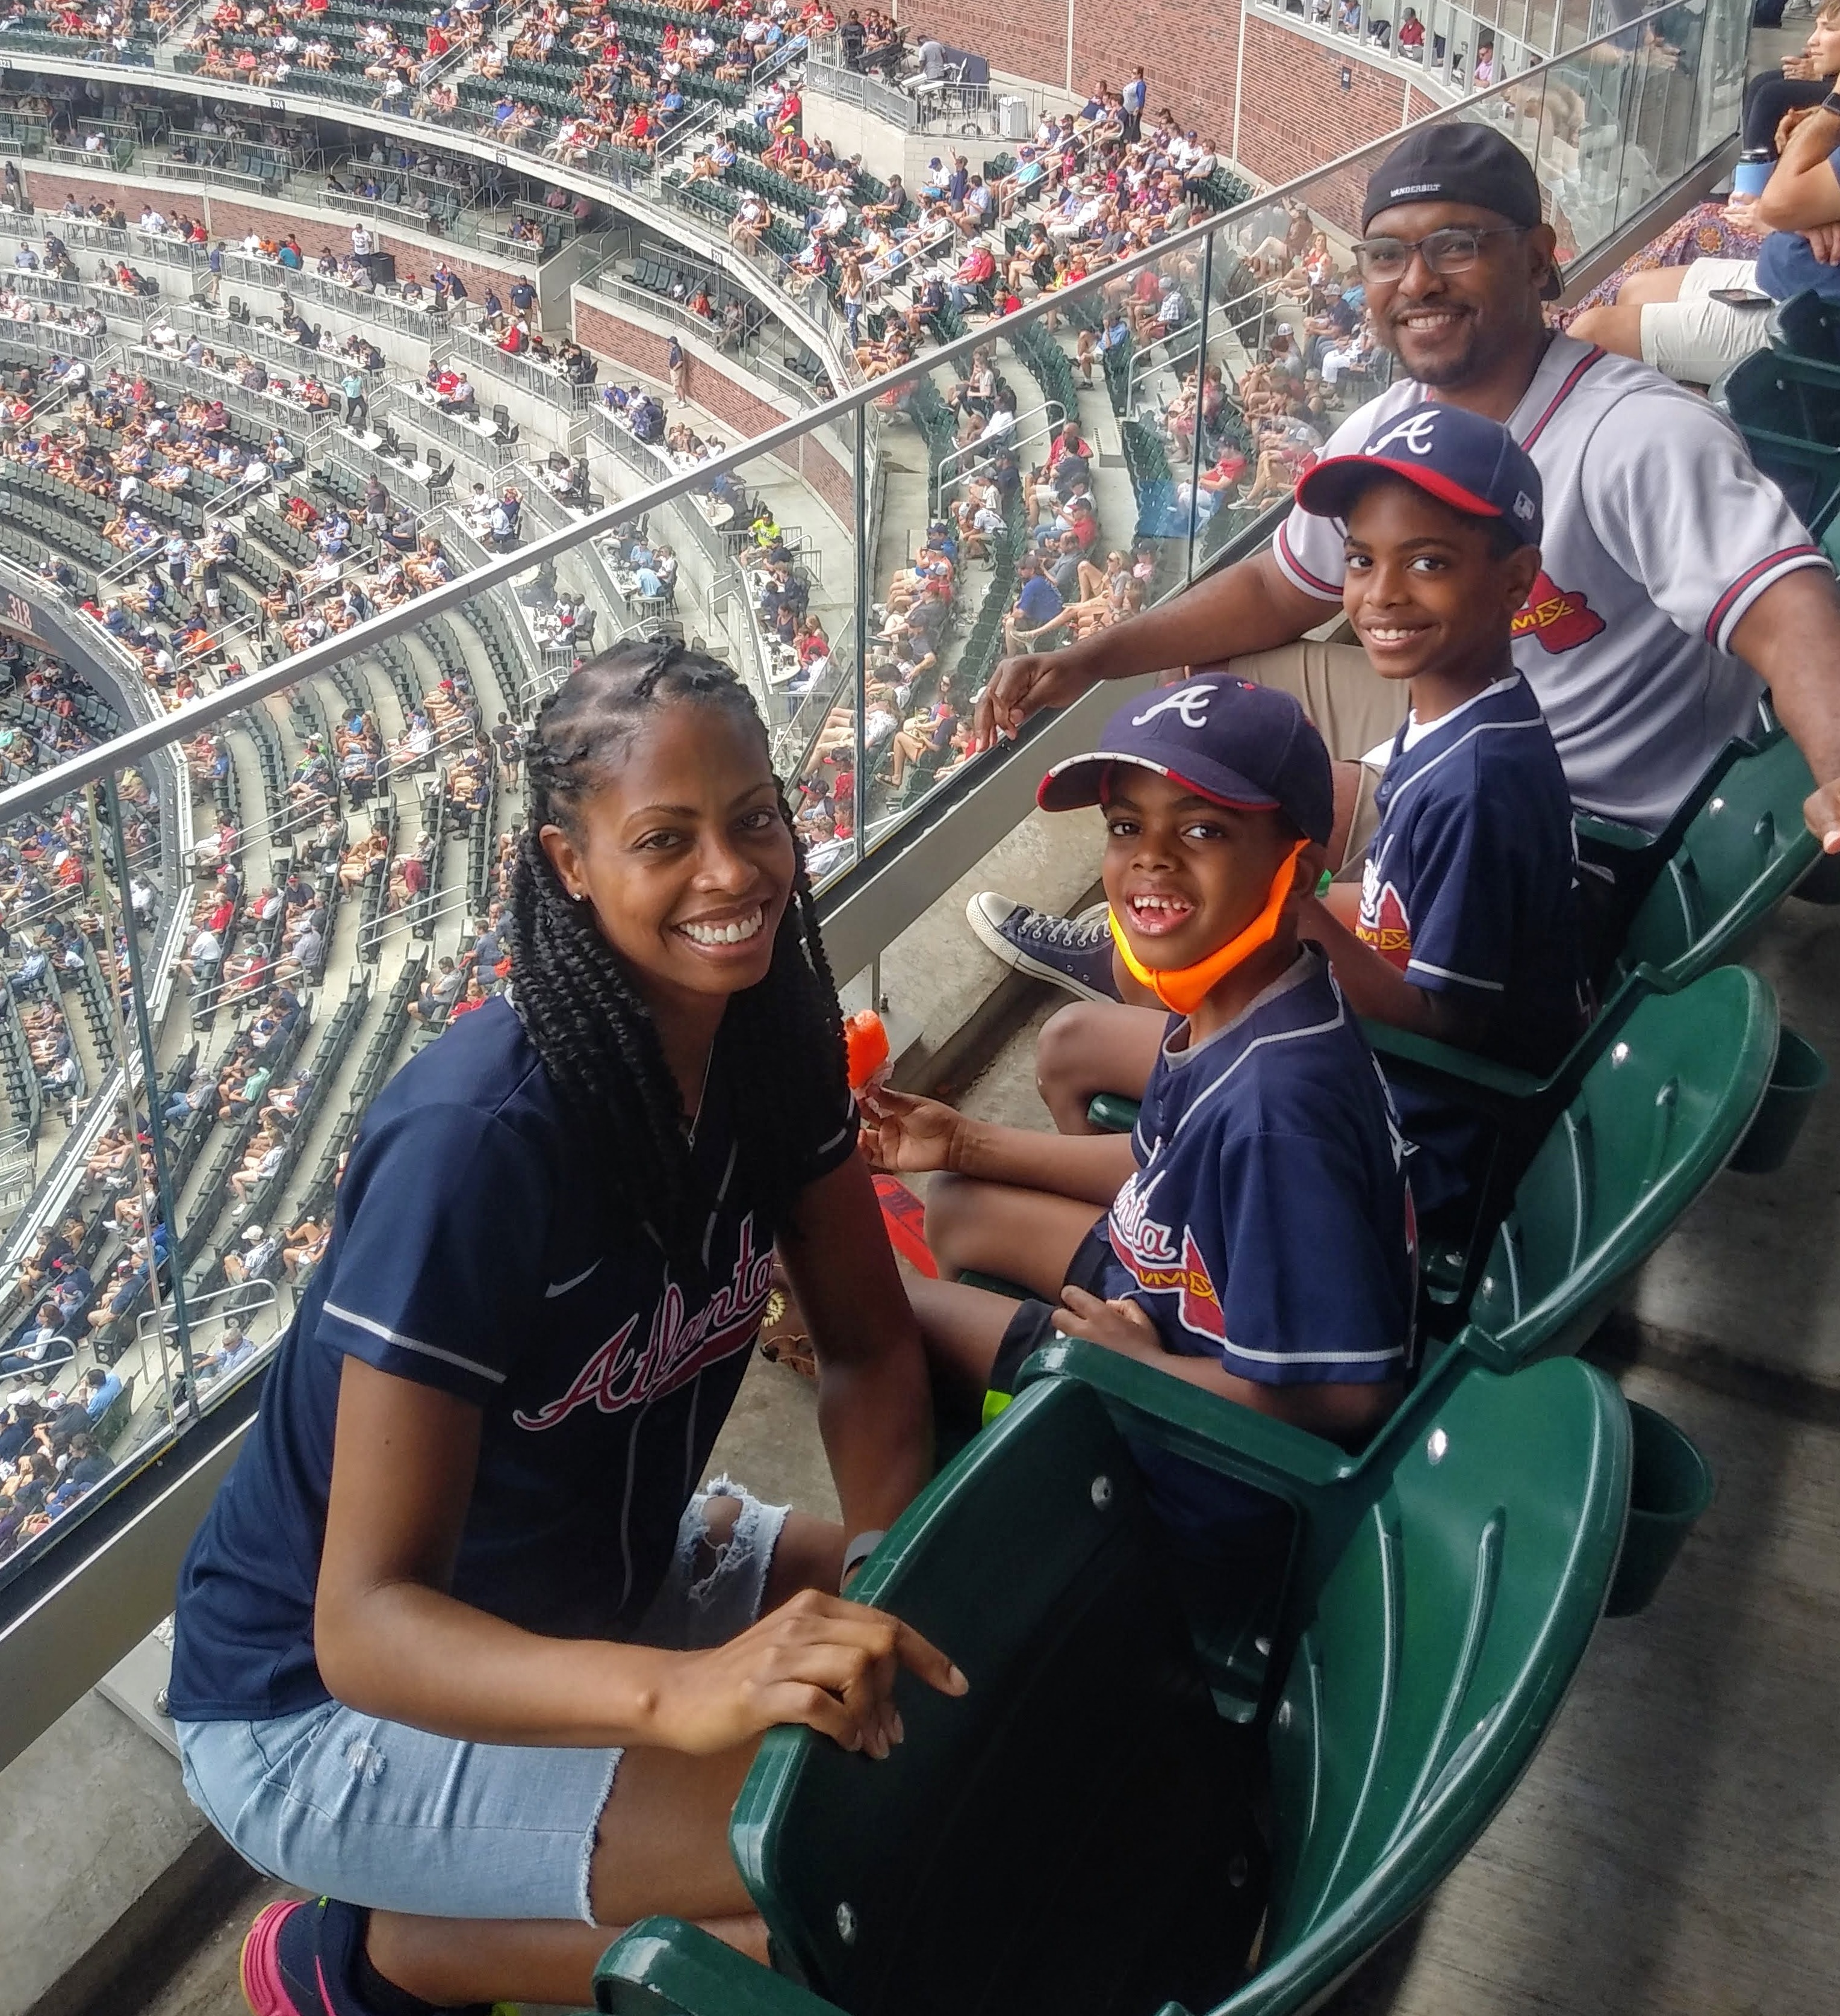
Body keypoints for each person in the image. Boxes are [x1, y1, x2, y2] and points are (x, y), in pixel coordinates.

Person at [167, 644, 956, 2016]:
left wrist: (892, 1587)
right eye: (666, 838)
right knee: (851, 1906)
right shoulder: (473, 1142)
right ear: (568, 862)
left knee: (965, 1683)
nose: (732, 872)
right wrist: (677, 1694)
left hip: (604, 1579)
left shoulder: (770, 1037)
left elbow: (871, 1349)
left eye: (754, 818)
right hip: (324, 1703)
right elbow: (367, 1624)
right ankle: (378, 1956)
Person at [969, 122, 1840, 1011]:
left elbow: (1785, 603)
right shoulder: (1394, 420)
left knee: (1232, 866)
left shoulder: (1641, 432)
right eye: (1387, 254)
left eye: (1456, 246)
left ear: (1538, 257)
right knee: (1202, 686)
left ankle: (1167, 956)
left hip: (1569, 817)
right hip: (1472, 713)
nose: (1417, 281)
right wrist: (1092, 657)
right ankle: (1204, 915)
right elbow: (1277, 587)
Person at [861, 677, 1417, 1558]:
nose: (1150, 859)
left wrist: (1145, 1369)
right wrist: (959, 1141)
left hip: (1196, 1449)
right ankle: (995, 1410)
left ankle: (992, 1528)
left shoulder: (1278, 1112)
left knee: (872, 1315)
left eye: (1203, 830)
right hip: (1169, 1295)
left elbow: (1349, 1395)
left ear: (1301, 870)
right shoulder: (1239, 1002)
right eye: (1127, 826)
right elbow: (1158, 1163)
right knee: (959, 1203)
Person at [1285, 403, 1587, 1212]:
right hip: (1412, 1075)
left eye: (1427, 563)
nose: (1381, 595)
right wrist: (1295, 900)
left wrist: (1302, 922)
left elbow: (1445, 1027)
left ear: (1516, 580)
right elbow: (1406, 908)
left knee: (1076, 1048)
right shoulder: (1462, 708)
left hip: (1427, 1130)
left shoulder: (1478, 784)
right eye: (1360, 560)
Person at [1569, 19, 1840, 385]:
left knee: (1589, 332)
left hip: (1808, 320)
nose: (1812, 40)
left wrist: (1834, 106)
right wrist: (1806, 213)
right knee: (1636, 288)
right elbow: (1787, 200)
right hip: (1787, 277)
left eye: (1829, 28)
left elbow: (1777, 206)